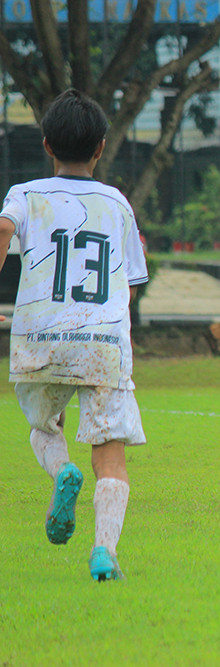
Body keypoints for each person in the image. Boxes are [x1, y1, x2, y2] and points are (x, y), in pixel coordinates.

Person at [0, 89, 148, 581]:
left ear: (46, 145)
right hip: (104, 344)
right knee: (111, 455)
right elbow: (128, 281)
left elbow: (3, 230)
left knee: (45, 426)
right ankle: (105, 551)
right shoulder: (118, 203)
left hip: (40, 338)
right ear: (101, 148)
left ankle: (62, 470)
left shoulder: (25, 194)